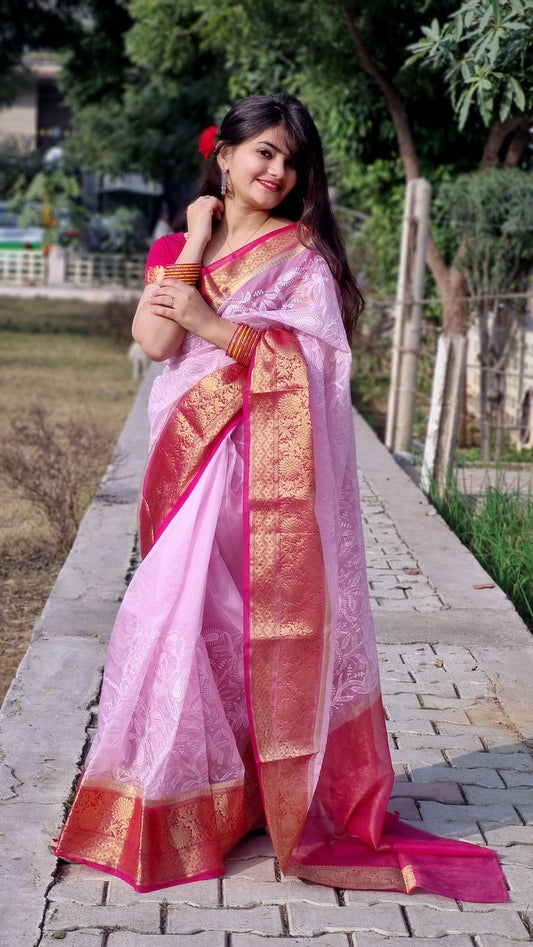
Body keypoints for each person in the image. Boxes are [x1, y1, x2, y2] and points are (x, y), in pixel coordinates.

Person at [55, 93, 507, 901]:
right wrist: (194, 241)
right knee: (173, 624)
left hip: (266, 483)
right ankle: (187, 799)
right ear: (221, 156)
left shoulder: (302, 257)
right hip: (188, 473)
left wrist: (211, 321)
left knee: (251, 634)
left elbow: (311, 377)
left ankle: (256, 796)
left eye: (290, 160)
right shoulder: (176, 243)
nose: (277, 170)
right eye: (262, 151)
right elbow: (156, 342)